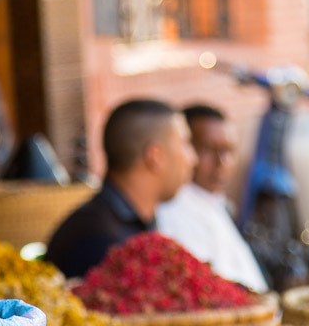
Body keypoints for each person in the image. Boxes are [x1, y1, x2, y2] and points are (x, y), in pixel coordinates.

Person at [45, 99, 197, 280]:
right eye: (185, 144)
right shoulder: (99, 240)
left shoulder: (136, 221)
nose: (193, 159)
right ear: (156, 157)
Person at [157, 104, 269, 292]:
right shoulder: (173, 210)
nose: (221, 163)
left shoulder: (213, 203)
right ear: (187, 150)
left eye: (228, 150)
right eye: (209, 149)